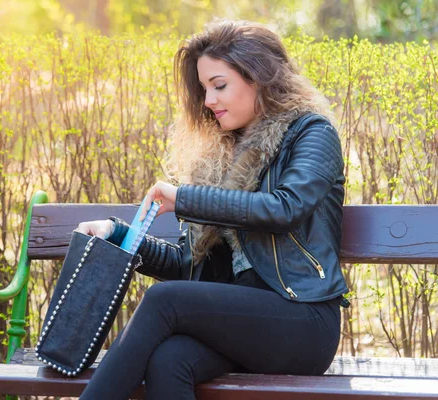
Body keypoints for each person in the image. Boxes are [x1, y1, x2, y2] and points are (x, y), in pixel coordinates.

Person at [75, 18, 349, 400]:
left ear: (260, 77)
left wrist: (185, 199)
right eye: (204, 89)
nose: (208, 101)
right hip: (242, 322)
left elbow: (285, 208)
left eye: (219, 86)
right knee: (170, 359)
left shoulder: (312, 134)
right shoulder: (221, 160)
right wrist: (118, 234)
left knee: (163, 302)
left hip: (302, 320)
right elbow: (186, 267)